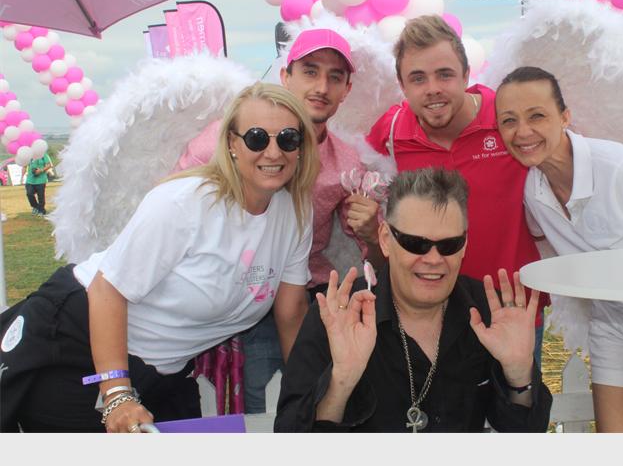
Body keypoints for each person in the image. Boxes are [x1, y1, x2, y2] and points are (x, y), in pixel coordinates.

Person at [365, 15, 623, 367]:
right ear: (402, 84)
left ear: (466, 74)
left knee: (519, 401)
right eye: (418, 78)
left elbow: (576, 144)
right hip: (430, 314)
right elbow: (350, 165)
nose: (433, 89)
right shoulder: (391, 132)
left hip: (513, 309)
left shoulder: (507, 117)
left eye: (445, 74)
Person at [0, 83, 316, 432]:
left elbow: (291, 312)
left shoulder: (295, 212)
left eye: (288, 139)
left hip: (161, 369)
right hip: (82, 336)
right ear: (231, 143)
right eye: (257, 138)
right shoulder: (185, 202)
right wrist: (117, 395)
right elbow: (107, 290)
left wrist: (308, 393)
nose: (273, 152)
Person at [175, 28, 383, 413]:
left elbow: (369, 248)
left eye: (335, 77)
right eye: (310, 71)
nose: (321, 86)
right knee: (256, 417)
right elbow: (171, 208)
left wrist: (372, 231)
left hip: (303, 300)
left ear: (346, 90)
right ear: (286, 76)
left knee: (309, 407)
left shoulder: (346, 162)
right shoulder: (229, 139)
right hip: (235, 306)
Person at [494, 66, 623, 433]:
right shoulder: (533, 190)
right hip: (613, 327)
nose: (522, 131)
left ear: (565, 117)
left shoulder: (622, 168)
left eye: (537, 116)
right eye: (509, 120)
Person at [275, 167, 552, 432]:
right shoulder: (339, 314)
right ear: (386, 240)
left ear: (465, 245)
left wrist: (518, 374)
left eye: (449, 245)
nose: (433, 259)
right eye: (416, 244)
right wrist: (341, 380)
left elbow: (524, 431)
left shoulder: (487, 312)